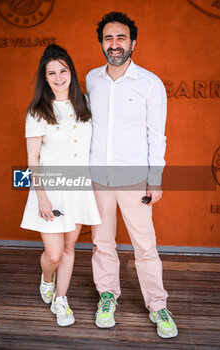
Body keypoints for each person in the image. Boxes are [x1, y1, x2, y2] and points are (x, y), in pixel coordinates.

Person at [86, 12, 178, 338]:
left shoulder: (150, 84)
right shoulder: (91, 80)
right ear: (102, 43)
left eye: (121, 38)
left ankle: (157, 305)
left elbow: (158, 136)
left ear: (133, 42)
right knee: (102, 243)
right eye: (109, 38)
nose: (115, 44)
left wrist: (156, 179)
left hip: (134, 179)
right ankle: (107, 296)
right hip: (97, 178)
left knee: (145, 246)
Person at [21, 44, 101, 327]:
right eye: (51, 73)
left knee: (69, 248)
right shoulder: (38, 111)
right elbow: (33, 158)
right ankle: (46, 278)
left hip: (78, 187)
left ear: (71, 72)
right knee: (53, 254)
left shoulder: (86, 105)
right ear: (45, 78)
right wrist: (42, 197)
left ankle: (61, 299)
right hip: (51, 190)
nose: (58, 77)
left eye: (63, 71)